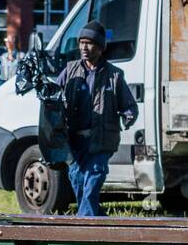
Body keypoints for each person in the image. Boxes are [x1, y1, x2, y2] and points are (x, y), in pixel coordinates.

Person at [56, 20, 138, 216]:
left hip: (101, 140)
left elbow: (129, 106)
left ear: (101, 48)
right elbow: (54, 95)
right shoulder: (70, 69)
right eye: (81, 42)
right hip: (75, 141)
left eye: (89, 43)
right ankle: (100, 221)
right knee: (77, 180)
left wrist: (127, 117)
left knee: (93, 181)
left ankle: (82, 229)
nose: (84, 47)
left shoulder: (115, 76)